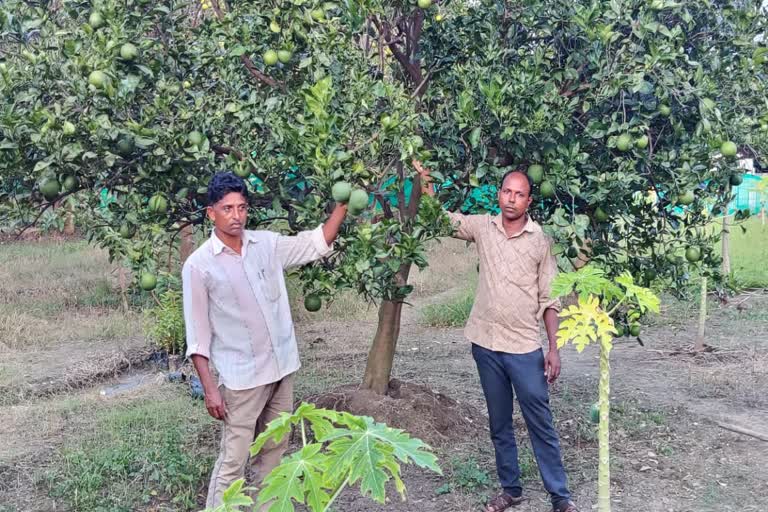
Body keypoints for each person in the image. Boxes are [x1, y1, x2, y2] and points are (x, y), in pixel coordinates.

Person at [415, 161, 578, 512]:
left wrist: (554, 348)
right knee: (499, 422)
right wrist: (426, 184)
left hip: (523, 348)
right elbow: (442, 219)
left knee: (540, 420)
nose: (512, 199)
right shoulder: (483, 228)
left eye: (520, 194)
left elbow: (550, 299)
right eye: (507, 192)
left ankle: (560, 496)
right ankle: (511, 489)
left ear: (529, 202)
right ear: (499, 194)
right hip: (486, 344)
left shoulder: (540, 241)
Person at [182, 171, 347, 508]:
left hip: (281, 369)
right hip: (242, 380)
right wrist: (211, 389)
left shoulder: (266, 245)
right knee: (233, 460)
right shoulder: (199, 266)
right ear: (210, 213)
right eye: (227, 209)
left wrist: (342, 206)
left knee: (273, 453)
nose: (236, 216)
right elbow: (197, 337)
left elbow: (314, 244)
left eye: (241, 208)